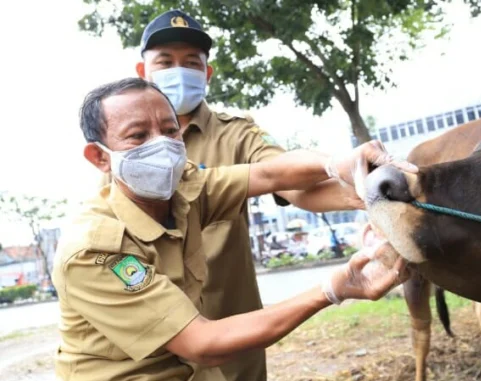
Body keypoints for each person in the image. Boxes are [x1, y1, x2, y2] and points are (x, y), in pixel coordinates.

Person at [99, 9, 394, 380]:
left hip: (234, 319)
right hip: (156, 323)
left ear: (207, 73)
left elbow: (286, 177)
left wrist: (372, 190)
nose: (178, 71)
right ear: (143, 73)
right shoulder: (120, 147)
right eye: (165, 61)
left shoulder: (235, 133)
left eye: (191, 62)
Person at [54, 77, 413, 381]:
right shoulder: (94, 250)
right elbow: (202, 344)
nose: (160, 145)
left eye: (168, 130)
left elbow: (270, 174)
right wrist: (333, 289)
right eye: (137, 135)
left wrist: (337, 164)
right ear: (100, 157)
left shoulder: (184, 190)